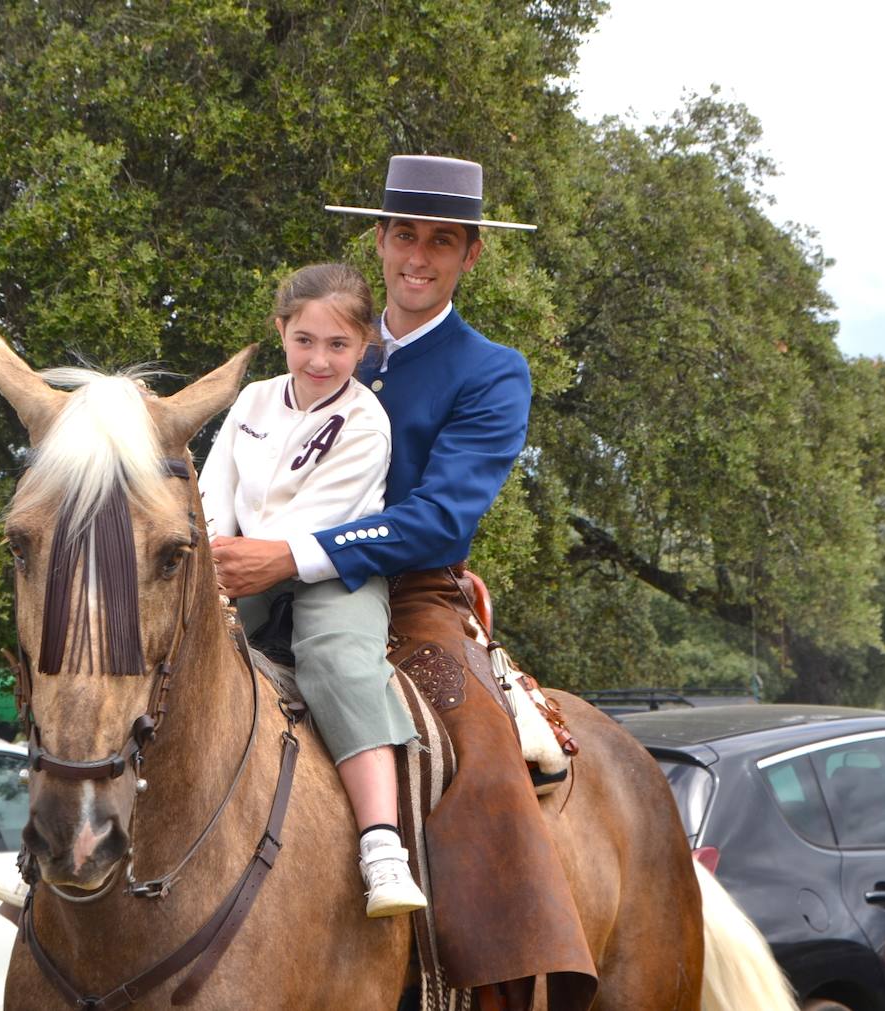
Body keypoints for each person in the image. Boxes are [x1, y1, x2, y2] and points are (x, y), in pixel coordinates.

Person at [211, 156, 597, 1010]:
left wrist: (288, 557)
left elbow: (440, 521)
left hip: (413, 594)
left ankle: (496, 986)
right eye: (406, 236)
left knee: (481, 760)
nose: (419, 256)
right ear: (380, 241)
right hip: (254, 572)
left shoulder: (491, 369)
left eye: (443, 241)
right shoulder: (323, 338)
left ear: (471, 257)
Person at [198, 262, 427, 919]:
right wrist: (206, 565)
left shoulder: (366, 421)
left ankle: (382, 845)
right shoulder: (252, 403)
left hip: (329, 570)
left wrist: (247, 563)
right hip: (237, 560)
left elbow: (316, 525)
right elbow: (214, 490)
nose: (320, 359)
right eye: (305, 340)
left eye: (338, 345)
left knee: (338, 660)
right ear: (280, 332)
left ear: (364, 346)